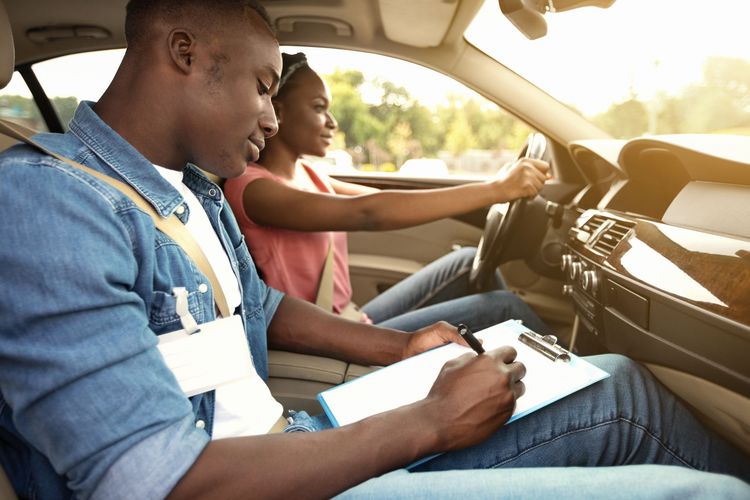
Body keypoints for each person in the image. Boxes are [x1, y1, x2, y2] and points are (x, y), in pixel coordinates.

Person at [0, 1, 748, 499]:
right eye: (264, 87)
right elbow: (154, 482)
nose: (269, 113)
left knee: (614, 384)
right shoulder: (48, 202)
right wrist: (428, 422)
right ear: (186, 53)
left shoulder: (190, 186)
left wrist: (399, 348)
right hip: (249, 480)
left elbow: (259, 308)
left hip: (283, 441)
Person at [224, 52, 551, 334]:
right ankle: (588, 389)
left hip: (349, 317)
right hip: (325, 338)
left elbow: (385, 199)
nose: (332, 122)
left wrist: (491, 193)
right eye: (319, 107)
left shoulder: (307, 174)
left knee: (465, 263)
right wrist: (497, 188)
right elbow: (369, 212)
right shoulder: (253, 189)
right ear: (278, 112)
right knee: (503, 308)